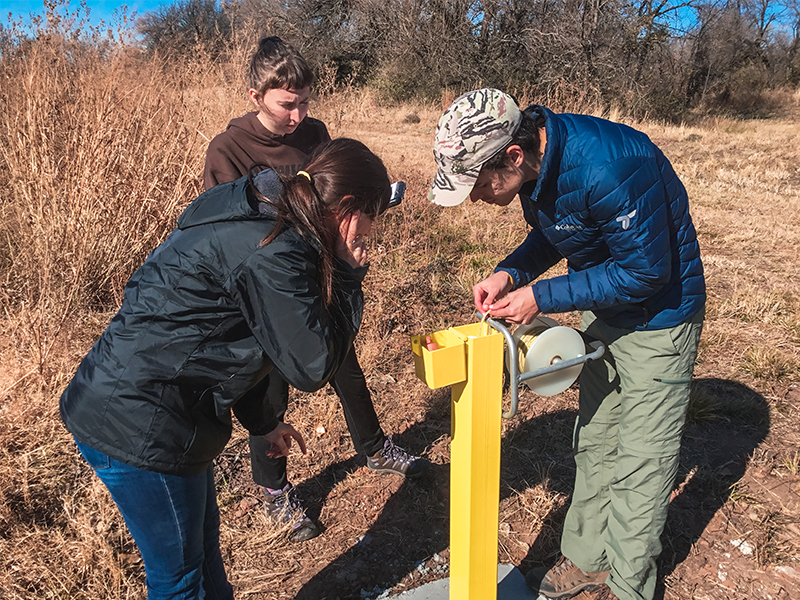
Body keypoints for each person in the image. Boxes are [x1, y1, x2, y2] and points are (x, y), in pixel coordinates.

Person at [60, 138, 393, 599]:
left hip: (156, 407)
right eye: (373, 221)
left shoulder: (271, 216)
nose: (372, 236)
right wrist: (351, 276)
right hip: (139, 423)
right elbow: (312, 364)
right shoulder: (275, 247)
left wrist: (264, 423)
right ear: (349, 208)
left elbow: (240, 338)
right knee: (178, 581)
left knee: (204, 561)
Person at [428, 89, 706, 600]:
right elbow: (556, 234)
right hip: (606, 304)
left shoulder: (610, 167)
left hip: (660, 316)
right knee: (596, 437)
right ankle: (586, 560)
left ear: (513, 156)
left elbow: (646, 270)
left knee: (642, 457)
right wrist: (510, 273)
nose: (475, 198)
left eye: (477, 185)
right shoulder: (535, 170)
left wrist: (542, 296)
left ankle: (628, 585)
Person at [204, 36, 428, 542]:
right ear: (255, 95)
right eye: (287, 103)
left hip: (322, 272)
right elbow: (231, 227)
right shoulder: (228, 148)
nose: (298, 115)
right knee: (270, 386)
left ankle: (375, 447)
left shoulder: (315, 133)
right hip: (267, 290)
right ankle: (275, 492)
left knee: (345, 364)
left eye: (305, 101)